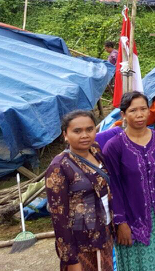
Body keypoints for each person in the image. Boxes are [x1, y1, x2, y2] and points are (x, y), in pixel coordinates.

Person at [102, 91, 155, 271]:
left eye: (143, 109)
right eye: (133, 110)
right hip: (131, 218)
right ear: (123, 114)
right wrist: (121, 223)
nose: (140, 114)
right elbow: (114, 187)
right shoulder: (114, 146)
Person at [46, 110, 114, 271]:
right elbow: (59, 218)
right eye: (77, 131)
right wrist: (70, 258)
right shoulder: (59, 167)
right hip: (81, 241)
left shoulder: (96, 151)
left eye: (89, 129)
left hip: (105, 232)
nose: (85, 135)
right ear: (65, 135)